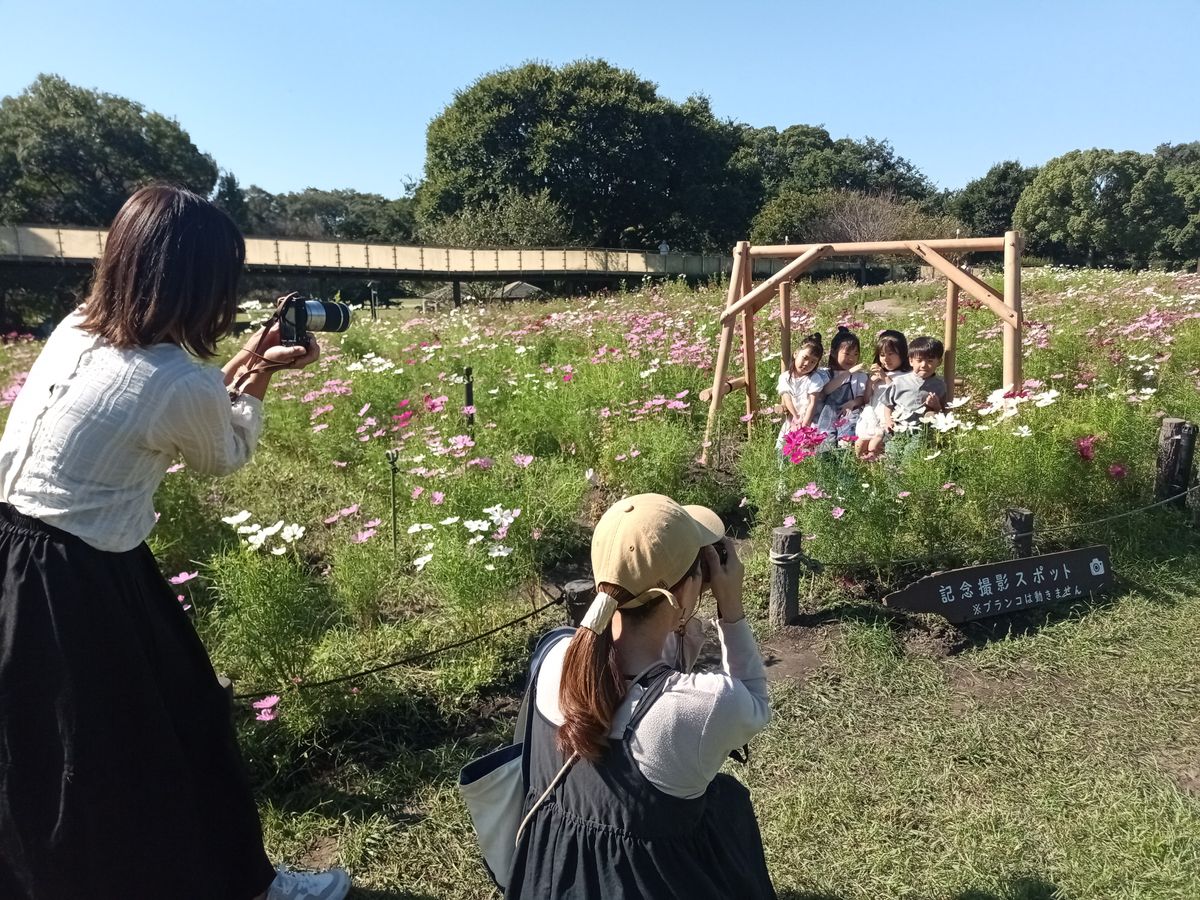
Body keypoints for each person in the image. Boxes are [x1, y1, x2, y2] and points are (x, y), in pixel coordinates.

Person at [0, 186, 349, 900]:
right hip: (82, 576)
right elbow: (221, 454)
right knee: (167, 732)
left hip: (15, 554)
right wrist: (258, 385)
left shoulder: (75, 329)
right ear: (202, 283)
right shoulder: (175, 381)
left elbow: (163, 404)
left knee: (42, 750)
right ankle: (241, 884)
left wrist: (240, 371)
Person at [506, 493, 775, 899]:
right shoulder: (701, 707)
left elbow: (636, 671)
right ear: (681, 594)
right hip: (642, 885)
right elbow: (755, 703)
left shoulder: (555, 655)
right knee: (728, 804)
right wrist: (730, 608)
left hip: (549, 876)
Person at [878, 335, 947, 449]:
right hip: (898, 427)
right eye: (919, 361)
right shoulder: (900, 381)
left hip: (920, 430)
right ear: (911, 361)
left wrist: (936, 405)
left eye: (930, 361)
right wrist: (888, 420)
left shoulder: (939, 385)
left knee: (912, 453)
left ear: (939, 362)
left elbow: (942, 411)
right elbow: (888, 404)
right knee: (893, 453)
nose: (924, 365)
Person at [855, 329, 911, 461]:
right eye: (882, 355)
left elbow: (900, 396)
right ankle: (863, 477)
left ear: (902, 354)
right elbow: (867, 399)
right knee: (859, 445)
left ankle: (879, 474)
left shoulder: (905, 375)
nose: (886, 359)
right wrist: (870, 383)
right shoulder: (877, 375)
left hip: (889, 418)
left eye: (891, 354)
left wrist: (885, 378)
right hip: (872, 417)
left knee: (873, 446)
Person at [776, 332, 829, 452]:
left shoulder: (814, 378)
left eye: (813, 362)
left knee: (806, 447)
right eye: (805, 358)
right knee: (783, 447)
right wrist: (795, 417)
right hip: (793, 417)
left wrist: (804, 425)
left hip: (810, 418)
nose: (807, 364)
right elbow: (787, 398)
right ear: (795, 354)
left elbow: (812, 403)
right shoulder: (785, 377)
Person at [817, 326, 868, 446]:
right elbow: (827, 390)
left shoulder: (860, 376)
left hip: (848, 413)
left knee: (846, 438)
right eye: (847, 353)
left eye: (856, 354)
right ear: (834, 353)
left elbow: (863, 397)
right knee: (825, 439)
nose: (851, 358)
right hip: (827, 413)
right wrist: (848, 373)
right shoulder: (825, 373)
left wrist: (853, 403)